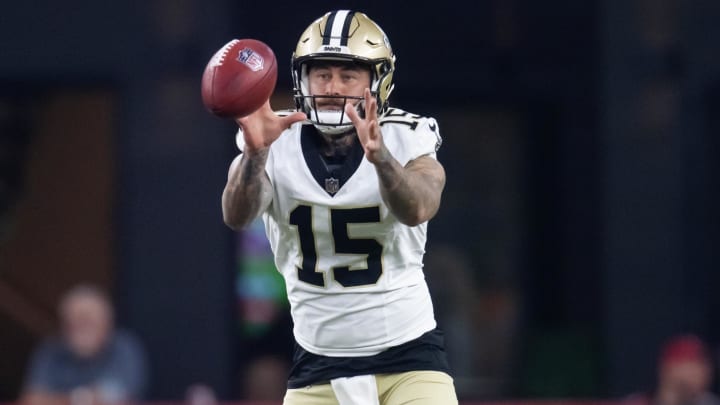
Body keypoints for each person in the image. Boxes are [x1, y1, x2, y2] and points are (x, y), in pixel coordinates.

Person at [222, 9, 457, 405]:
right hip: (319, 363)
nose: (332, 87)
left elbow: (419, 206)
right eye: (322, 74)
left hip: (408, 355)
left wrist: (381, 159)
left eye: (348, 76)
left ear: (377, 82)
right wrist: (255, 155)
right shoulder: (275, 139)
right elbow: (237, 215)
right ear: (302, 79)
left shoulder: (406, 135)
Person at [21, 284, 148, 405]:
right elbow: (32, 399)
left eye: (88, 321)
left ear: (107, 324)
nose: (82, 329)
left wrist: (61, 400)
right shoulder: (50, 350)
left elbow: (120, 397)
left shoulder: (124, 348)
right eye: (75, 321)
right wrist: (82, 398)